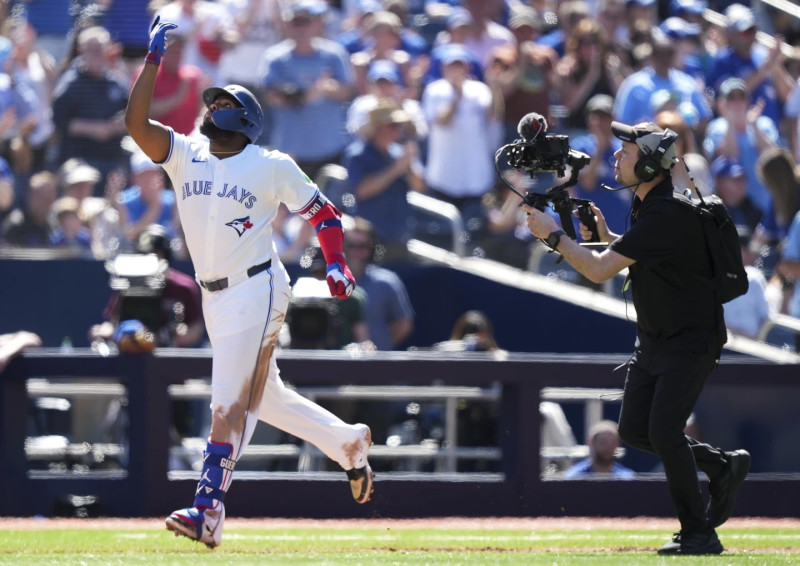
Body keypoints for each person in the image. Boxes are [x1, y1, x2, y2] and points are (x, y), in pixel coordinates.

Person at [125, 17, 374, 548]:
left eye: (222, 104)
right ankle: (347, 443)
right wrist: (152, 64)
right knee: (267, 397)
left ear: (245, 120)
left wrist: (336, 262)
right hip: (214, 293)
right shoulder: (184, 151)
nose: (211, 109)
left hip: (257, 287)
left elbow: (326, 216)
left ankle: (207, 509)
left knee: (227, 401)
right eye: (211, 103)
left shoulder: (270, 164)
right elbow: (136, 124)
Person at [523, 119, 751, 555]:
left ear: (649, 167)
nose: (616, 156)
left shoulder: (667, 211)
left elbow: (598, 270)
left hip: (688, 340)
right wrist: (606, 236)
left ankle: (699, 532)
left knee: (664, 432)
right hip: (657, 340)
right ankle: (721, 467)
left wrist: (552, 235)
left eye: (626, 153)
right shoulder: (654, 207)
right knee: (635, 430)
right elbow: (639, 256)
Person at [343, 217, 414, 350]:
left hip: (377, 365)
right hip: (334, 362)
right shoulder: (327, 282)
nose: (356, 251)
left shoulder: (387, 281)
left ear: (371, 248)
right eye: (351, 245)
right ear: (343, 246)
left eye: (362, 246)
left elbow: (404, 324)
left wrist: (382, 348)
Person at [563, 420, 635, 479]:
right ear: (591, 443)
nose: (608, 447)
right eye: (603, 442)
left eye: (612, 443)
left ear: (617, 445)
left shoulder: (627, 478)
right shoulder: (574, 477)